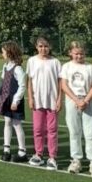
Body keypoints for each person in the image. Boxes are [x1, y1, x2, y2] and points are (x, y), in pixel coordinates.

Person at [59, 41, 92, 178]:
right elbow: (64, 85)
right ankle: (76, 160)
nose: (79, 56)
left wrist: (85, 100)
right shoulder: (66, 66)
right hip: (72, 101)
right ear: (70, 53)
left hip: (88, 102)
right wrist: (76, 100)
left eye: (82, 53)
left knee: (91, 133)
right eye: (76, 53)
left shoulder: (91, 67)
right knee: (74, 132)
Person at [26, 38, 61, 170]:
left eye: (46, 46)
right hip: (37, 101)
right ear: (36, 47)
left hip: (52, 101)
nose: (43, 49)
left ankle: (52, 157)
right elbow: (30, 81)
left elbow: (60, 82)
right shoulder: (32, 61)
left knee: (52, 130)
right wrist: (30, 98)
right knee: (38, 129)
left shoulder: (55, 62)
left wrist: (59, 99)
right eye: (40, 46)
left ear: (50, 47)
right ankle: (38, 154)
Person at [0, 41, 28, 163]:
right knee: (7, 122)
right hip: (6, 99)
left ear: (9, 53)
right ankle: (6, 149)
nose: (2, 54)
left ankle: (22, 151)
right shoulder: (5, 66)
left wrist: (16, 101)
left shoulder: (17, 68)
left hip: (14, 101)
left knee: (17, 124)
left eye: (3, 52)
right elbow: (2, 82)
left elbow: (22, 86)